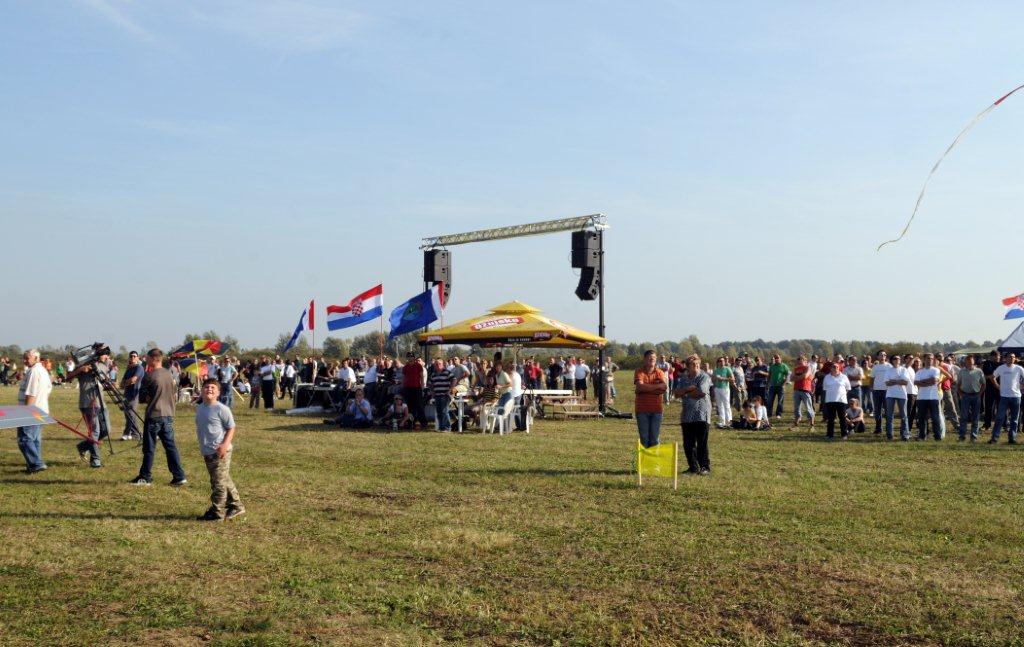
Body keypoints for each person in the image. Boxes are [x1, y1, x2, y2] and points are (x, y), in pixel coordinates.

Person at [132, 348, 188, 486]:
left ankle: (145, 477)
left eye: (147, 358)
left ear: (152, 358)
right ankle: (179, 476)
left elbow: (143, 398)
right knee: (170, 446)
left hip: (154, 415)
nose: (145, 360)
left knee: (149, 447)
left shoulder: (149, 376)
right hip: (168, 415)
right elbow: (174, 394)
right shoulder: (169, 374)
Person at [194, 379, 244, 521]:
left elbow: (231, 428)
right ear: (202, 390)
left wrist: (223, 445)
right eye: (206, 387)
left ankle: (217, 512)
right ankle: (237, 506)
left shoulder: (221, 409)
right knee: (222, 479)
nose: (209, 390)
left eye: (212, 388)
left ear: (218, 392)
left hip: (220, 451)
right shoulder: (200, 408)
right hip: (207, 451)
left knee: (218, 484)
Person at [66, 349, 112, 469]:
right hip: (87, 404)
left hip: (101, 403)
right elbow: (68, 378)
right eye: (104, 353)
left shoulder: (104, 366)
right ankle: (95, 460)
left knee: (106, 430)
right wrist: (81, 370)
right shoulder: (83, 365)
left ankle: (83, 446)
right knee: (95, 432)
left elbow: (107, 382)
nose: (106, 356)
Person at [674, 355, 712, 475]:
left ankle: (705, 467)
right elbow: (676, 393)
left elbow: (700, 392)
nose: (696, 367)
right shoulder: (684, 379)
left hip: (701, 413)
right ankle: (693, 467)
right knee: (688, 443)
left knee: (702, 442)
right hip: (687, 415)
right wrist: (687, 389)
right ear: (688, 366)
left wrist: (685, 393)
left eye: (697, 365)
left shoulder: (704, 376)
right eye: (693, 365)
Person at [16, 349, 52, 474]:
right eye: (24, 358)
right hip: (41, 409)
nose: (25, 360)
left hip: (32, 411)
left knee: (24, 439)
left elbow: (31, 393)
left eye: (27, 358)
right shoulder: (42, 370)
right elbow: (48, 389)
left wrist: (26, 412)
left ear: (36, 358)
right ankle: (32, 467)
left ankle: (36, 464)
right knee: (34, 439)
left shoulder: (34, 372)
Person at [634, 350, 667, 448]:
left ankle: (654, 463)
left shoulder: (660, 372)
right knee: (644, 440)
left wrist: (645, 388)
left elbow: (664, 387)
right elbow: (640, 387)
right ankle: (645, 463)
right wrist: (656, 387)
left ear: (656, 359)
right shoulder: (639, 371)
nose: (652, 359)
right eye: (649, 357)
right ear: (645, 359)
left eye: (653, 357)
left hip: (657, 411)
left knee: (655, 440)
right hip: (642, 411)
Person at [990, 353, 1024, 444]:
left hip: (1016, 397)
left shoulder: (1019, 368)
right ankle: (994, 438)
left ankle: (1012, 438)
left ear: (1015, 359)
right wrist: (997, 386)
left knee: (1014, 419)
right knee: (999, 418)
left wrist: (1022, 386)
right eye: (1010, 357)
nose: (1012, 358)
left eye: (1013, 357)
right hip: (1004, 397)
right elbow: (993, 377)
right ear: (1005, 358)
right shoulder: (1001, 368)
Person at [914, 353, 943, 441]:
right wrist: (928, 381)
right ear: (924, 360)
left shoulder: (935, 370)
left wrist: (922, 382)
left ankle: (937, 436)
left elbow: (934, 381)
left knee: (935, 418)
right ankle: (922, 436)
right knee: (922, 418)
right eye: (928, 358)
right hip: (921, 398)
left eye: (931, 358)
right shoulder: (919, 371)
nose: (929, 360)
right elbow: (916, 383)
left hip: (933, 397)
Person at [956, 354, 985, 442]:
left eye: (971, 361)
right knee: (964, 417)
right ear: (965, 362)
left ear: (973, 362)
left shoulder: (979, 371)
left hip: (976, 396)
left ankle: (974, 437)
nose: (969, 362)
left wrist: (979, 394)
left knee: (975, 417)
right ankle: (962, 436)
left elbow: (983, 384)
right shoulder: (961, 371)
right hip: (965, 396)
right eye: (967, 361)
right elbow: (958, 384)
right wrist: (961, 394)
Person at [884, 355, 912, 441]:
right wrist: (898, 381)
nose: (897, 360)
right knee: (889, 416)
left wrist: (894, 381)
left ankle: (905, 435)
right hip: (890, 395)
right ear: (892, 361)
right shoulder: (888, 370)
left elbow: (905, 382)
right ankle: (889, 435)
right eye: (895, 358)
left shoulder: (904, 369)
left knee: (903, 416)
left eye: (898, 358)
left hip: (902, 395)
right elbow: (887, 383)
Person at [120, 350, 146, 441]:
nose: (133, 357)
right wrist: (126, 382)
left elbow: (133, 380)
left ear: (138, 358)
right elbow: (121, 384)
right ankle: (135, 434)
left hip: (134, 394)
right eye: (131, 356)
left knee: (131, 415)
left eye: (135, 356)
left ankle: (129, 433)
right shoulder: (128, 369)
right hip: (126, 394)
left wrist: (126, 382)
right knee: (128, 415)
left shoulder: (139, 368)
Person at [822, 362, 851, 440]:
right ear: (830, 368)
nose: (835, 368)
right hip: (830, 400)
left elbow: (848, 388)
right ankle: (829, 435)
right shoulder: (827, 377)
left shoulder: (844, 377)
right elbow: (825, 388)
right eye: (833, 367)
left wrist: (842, 394)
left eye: (837, 367)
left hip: (841, 401)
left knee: (842, 418)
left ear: (839, 368)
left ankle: (844, 434)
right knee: (831, 419)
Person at [428, 358, 455, 432]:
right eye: (436, 364)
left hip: (445, 395)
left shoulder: (447, 372)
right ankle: (441, 427)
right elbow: (430, 383)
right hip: (437, 395)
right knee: (439, 412)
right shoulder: (433, 374)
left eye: (439, 364)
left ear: (443, 364)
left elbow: (454, 380)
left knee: (444, 412)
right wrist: (431, 391)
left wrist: (450, 389)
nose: (437, 365)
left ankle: (447, 428)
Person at [401, 352, 427, 429]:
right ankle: (411, 422)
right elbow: (404, 377)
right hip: (407, 388)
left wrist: (422, 387)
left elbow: (421, 377)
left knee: (419, 406)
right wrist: (402, 387)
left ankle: (424, 423)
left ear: (414, 357)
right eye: (408, 356)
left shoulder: (418, 366)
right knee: (409, 406)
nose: (410, 358)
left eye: (411, 356)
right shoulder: (405, 367)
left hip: (417, 388)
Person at [791, 355, 815, 430]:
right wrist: (799, 377)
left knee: (808, 408)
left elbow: (805, 376)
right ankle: (796, 424)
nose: (800, 361)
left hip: (805, 390)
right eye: (798, 360)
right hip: (796, 390)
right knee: (796, 409)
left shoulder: (808, 368)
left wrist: (797, 378)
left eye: (801, 360)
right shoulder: (796, 369)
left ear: (805, 361)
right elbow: (791, 378)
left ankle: (812, 425)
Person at [871, 351, 892, 434]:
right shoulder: (875, 367)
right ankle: (878, 428)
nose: (883, 356)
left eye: (884, 355)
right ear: (878, 357)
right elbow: (872, 378)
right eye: (881, 355)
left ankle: (888, 428)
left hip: (887, 391)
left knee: (888, 411)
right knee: (877, 411)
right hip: (877, 391)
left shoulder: (889, 366)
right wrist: (871, 388)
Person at [981, 350, 1002, 430]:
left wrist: (991, 377)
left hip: (1001, 388)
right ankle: (987, 424)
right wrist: (992, 378)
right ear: (991, 356)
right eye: (996, 356)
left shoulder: (1002, 364)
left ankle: (1004, 425)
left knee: (1001, 407)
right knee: (989, 407)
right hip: (990, 388)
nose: (998, 358)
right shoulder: (987, 364)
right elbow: (987, 376)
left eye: (998, 356)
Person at [711, 357, 733, 429]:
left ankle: (729, 421)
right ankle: (722, 422)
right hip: (717, 389)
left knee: (726, 405)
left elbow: (733, 379)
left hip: (725, 389)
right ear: (718, 362)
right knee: (719, 405)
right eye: (720, 361)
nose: (722, 362)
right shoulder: (716, 370)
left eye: (723, 361)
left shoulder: (727, 369)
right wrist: (716, 379)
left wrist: (723, 378)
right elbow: (713, 379)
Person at [766, 355, 790, 419]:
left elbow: (788, 375)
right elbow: (769, 375)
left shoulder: (784, 366)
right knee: (770, 400)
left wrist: (784, 383)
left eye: (778, 358)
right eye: (775, 358)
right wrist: (767, 383)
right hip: (772, 386)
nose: (776, 359)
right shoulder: (772, 366)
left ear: (780, 358)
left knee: (780, 401)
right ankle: (769, 414)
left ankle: (778, 414)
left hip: (780, 387)